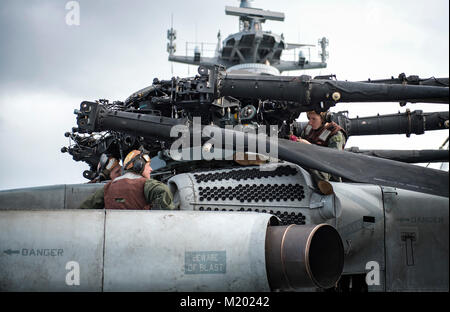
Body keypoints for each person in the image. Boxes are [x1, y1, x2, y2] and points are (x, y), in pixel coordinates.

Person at [80, 149, 175, 210]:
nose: (151, 169)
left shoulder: (107, 188)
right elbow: (164, 191)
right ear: (139, 166)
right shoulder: (145, 184)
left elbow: (85, 208)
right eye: (148, 166)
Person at [290, 110, 347, 184]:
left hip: (326, 174)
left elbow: (333, 159)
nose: (310, 122)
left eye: (314, 119)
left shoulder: (335, 133)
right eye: (309, 118)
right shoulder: (309, 127)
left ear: (324, 119)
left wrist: (310, 147)